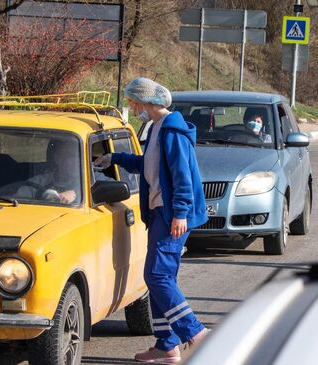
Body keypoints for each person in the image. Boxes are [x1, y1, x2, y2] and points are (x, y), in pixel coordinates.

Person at [95, 77, 209, 363]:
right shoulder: (156, 128)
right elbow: (147, 165)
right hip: (160, 212)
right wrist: (114, 159)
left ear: (146, 101)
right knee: (160, 277)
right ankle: (166, 345)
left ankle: (195, 333)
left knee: (156, 276)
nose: (133, 108)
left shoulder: (172, 131)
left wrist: (180, 213)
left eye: (134, 102)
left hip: (172, 215)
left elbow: (183, 176)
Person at [17, 138, 80, 205]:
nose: (76, 161)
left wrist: (76, 194)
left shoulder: (88, 182)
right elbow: (17, 203)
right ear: (57, 158)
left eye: (79, 156)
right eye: (70, 156)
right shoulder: (38, 182)